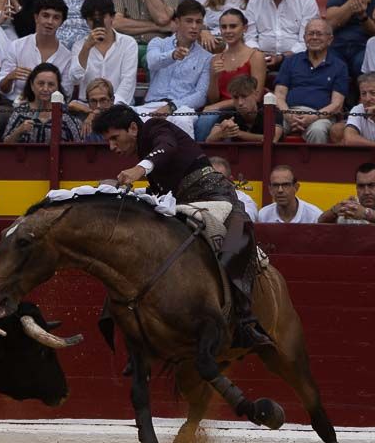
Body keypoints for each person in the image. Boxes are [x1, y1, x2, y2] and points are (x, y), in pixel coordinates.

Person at [92, 102, 268, 348]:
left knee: (239, 231)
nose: (112, 147)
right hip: (181, 204)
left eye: (114, 138)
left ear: (133, 127)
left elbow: (168, 147)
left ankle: (244, 318)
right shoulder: (145, 152)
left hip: (215, 194)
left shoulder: (155, 128)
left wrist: (139, 169)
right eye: (108, 141)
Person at [274, 17, 347, 143]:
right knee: (272, 129)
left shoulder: (339, 66)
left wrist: (313, 117)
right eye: (310, 33)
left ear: (330, 40)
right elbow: (279, 94)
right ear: (304, 38)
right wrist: (288, 115)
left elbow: (337, 104)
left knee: (317, 131)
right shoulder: (291, 61)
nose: (314, 37)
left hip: (321, 116)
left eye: (319, 34)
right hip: (289, 112)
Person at [199, 8, 266, 140]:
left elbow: (256, 95)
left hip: (245, 109)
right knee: (206, 118)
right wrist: (213, 76)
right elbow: (213, 98)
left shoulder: (256, 56)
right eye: (224, 27)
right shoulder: (216, 58)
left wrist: (215, 106)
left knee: (208, 117)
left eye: (233, 26)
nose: (228, 31)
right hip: (222, 111)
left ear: (244, 28)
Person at [0, 0, 78, 103]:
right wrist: (9, 77)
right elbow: (2, 89)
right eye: (45, 16)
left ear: (61, 23)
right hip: (14, 106)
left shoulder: (67, 57)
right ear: (36, 18)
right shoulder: (17, 46)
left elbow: (66, 94)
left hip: (50, 111)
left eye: (56, 18)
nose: (50, 22)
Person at [142, 0, 213, 116]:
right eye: (189, 21)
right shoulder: (158, 43)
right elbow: (152, 62)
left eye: (198, 22)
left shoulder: (206, 58)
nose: (194, 26)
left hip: (182, 109)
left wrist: (173, 106)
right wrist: (172, 55)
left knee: (183, 120)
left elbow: (201, 96)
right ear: (177, 22)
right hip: (152, 105)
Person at [72, 0, 137, 107]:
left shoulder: (128, 43)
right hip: (88, 106)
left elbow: (128, 82)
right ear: (87, 21)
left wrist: (111, 107)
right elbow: (75, 78)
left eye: (102, 17)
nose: (98, 22)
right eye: (92, 19)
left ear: (112, 17)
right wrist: (86, 48)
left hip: (119, 106)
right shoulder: (79, 46)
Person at [4, 62, 84, 143]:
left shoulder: (66, 115)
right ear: (32, 85)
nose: (45, 89)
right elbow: (6, 145)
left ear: (57, 87)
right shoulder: (20, 112)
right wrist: (18, 131)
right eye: (41, 83)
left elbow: (78, 149)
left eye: (51, 84)